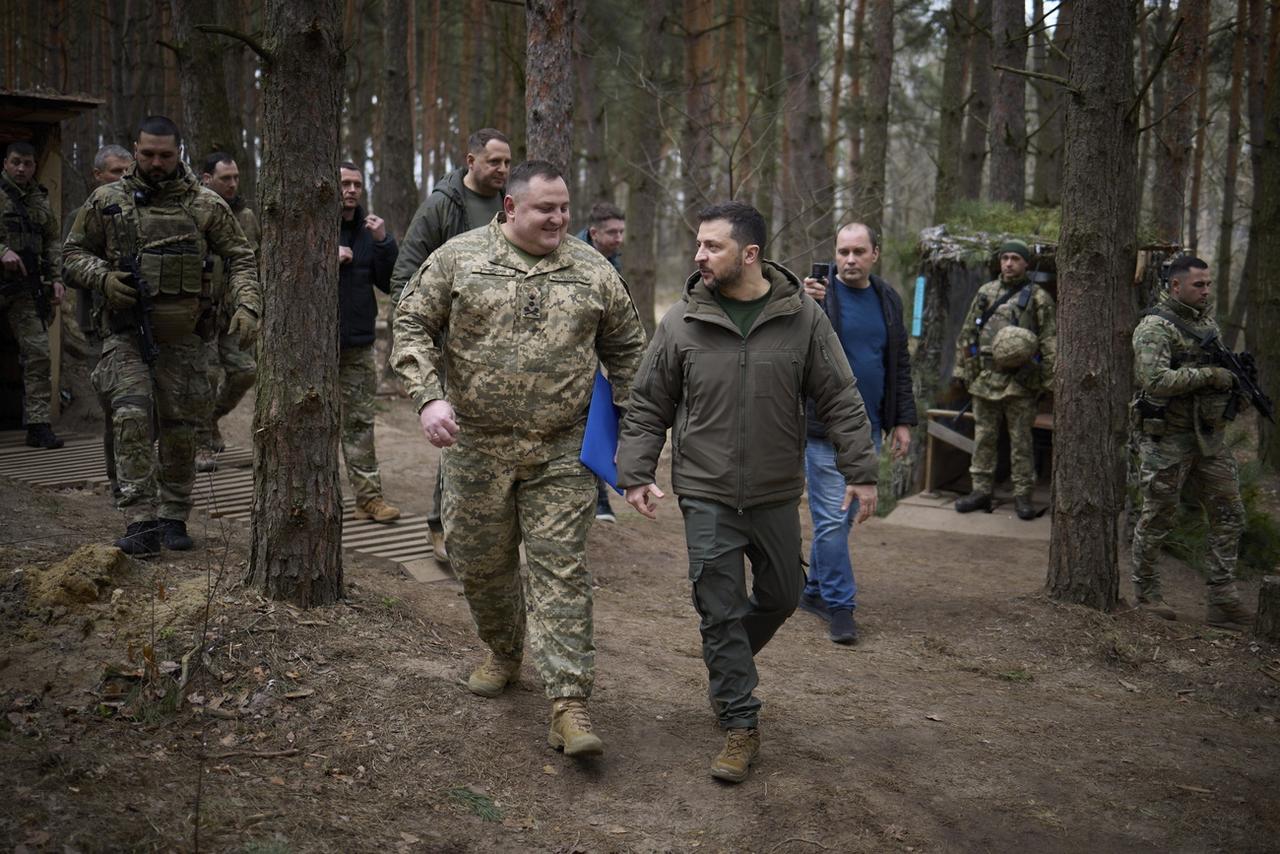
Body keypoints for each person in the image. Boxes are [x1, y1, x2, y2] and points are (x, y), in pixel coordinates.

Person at [616, 201, 878, 784]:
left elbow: (839, 396)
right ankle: (740, 721)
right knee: (718, 606)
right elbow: (648, 404)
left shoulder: (803, 318)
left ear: (750, 254)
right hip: (705, 490)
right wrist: (635, 472)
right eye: (699, 246)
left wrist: (860, 471)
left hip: (776, 489)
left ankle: (725, 660)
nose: (699, 256)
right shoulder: (681, 320)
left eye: (713, 246)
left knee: (784, 596)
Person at [392, 160, 646, 759]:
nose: (559, 218)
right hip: (475, 445)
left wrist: (635, 448)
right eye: (545, 209)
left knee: (561, 569)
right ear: (510, 208)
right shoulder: (459, 258)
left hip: (561, 447)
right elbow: (410, 323)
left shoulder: (593, 271)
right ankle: (505, 650)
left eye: (564, 208)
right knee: (479, 563)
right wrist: (428, 398)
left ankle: (568, 703)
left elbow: (630, 354)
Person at [63, 116, 261, 555]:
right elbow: (72, 255)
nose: (156, 162)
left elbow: (242, 258)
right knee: (131, 415)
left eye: (165, 155)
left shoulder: (207, 205)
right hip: (125, 334)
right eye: (148, 154)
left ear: (179, 153)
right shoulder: (106, 201)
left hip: (188, 339)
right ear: (135, 149)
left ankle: (173, 514)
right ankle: (140, 520)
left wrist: (248, 306)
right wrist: (103, 278)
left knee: (180, 428)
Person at [391, 127, 512, 565]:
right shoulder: (443, 206)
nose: (501, 169)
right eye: (494, 161)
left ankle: (486, 524)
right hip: (451, 341)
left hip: (502, 341)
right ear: (471, 160)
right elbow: (405, 274)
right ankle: (439, 524)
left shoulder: (508, 206)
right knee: (457, 431)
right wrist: (428, 329)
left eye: (507, 162)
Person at [798, 222, 917, 645]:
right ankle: (840, 605)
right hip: (824, 425)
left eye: (858, 252)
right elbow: (789, 346)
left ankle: (811, 591)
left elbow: (898, 362)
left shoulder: (888, 299)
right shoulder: (815, 294)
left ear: (874, 254)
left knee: (841, 520)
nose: (849, 260)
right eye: (843, 251)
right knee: (832, 516)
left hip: (870, 426)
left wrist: (902, 420)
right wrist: (802, 302)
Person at [1130, 256, 1255, 628]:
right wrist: (1209, 376)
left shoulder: (1206, 323)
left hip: (1210, 439)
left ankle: (1222, 599)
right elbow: (1155, 381)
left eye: (1207, 284)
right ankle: (1147, 594)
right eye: (1198, 284)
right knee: (1157, 517)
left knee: (1230, 514)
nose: (1205, 290)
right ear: (1175, 286)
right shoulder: (1155, 328)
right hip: (1167, 439)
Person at [953, 239, 1056, 520]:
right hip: (985, 379)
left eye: (1015, 258)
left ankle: (1023, 496)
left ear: (1026, 263)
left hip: (1020, 382)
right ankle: (980, 490)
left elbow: (1049, 341)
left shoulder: (1038, 298)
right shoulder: (986, 293)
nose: (1009, 263)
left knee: (1021, 442)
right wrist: (963, 371)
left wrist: (1047, 381)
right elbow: (967, 335)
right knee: (984, 438)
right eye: (1005, 258)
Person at [337, 161, 400, 523]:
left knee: (360, 423)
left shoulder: (367, 230)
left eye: (357, 184)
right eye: (345, 183)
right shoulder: (310, 225)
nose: (351, 190)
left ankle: (368, 498)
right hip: (313, 349)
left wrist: (384, 243)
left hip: (358, 344)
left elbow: (388, 283)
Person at [195, 152, 261, 472]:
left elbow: (250, 263)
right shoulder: (192, 210)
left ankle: (209, 420)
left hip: (231, 311)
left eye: (236, 177)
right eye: (226, 178)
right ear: (207, 179)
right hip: (199, 312)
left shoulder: (245, 216)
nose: (233, 183)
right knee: (205, 376)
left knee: (246, 370)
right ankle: (200, 442)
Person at [1, 141, 67, 449]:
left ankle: (38, 426)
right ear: (5, 163)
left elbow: (53, 240)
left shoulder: (41, 199)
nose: (22, 169)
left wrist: (56, 278)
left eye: (27, 163)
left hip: (27, 289)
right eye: (16, 162)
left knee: (39, 355)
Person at [575, 201, 627, 523]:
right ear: (594, 233)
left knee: (598, 421)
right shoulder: (575, 257)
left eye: (622, 231)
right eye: (612, 232)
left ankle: (601, 499)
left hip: (599, 352)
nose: (619, 237)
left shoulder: (613, 260)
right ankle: (597, 501)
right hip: (575, 357)